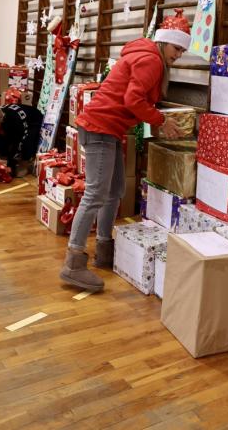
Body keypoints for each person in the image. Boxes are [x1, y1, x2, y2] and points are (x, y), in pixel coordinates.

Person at [60, 16, 191, 292]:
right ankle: (73, 263)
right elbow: (134, 99)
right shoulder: (152, 60)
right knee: (96, 193)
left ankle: (104, 250)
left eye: (182, 51)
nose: (179, 55)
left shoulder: (147, 54)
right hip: (101, 128)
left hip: (108, 129)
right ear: (165, 41)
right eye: (177, 49)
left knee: (115, 189)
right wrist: (160, 120)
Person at [0, 104, 43, 177]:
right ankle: (6, 156)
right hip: (11, 122)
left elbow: (17, 144)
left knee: (26, 145)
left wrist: (10, 167)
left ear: (0, 121)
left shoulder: (14, 122)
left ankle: (26, 163)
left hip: (33, 120)